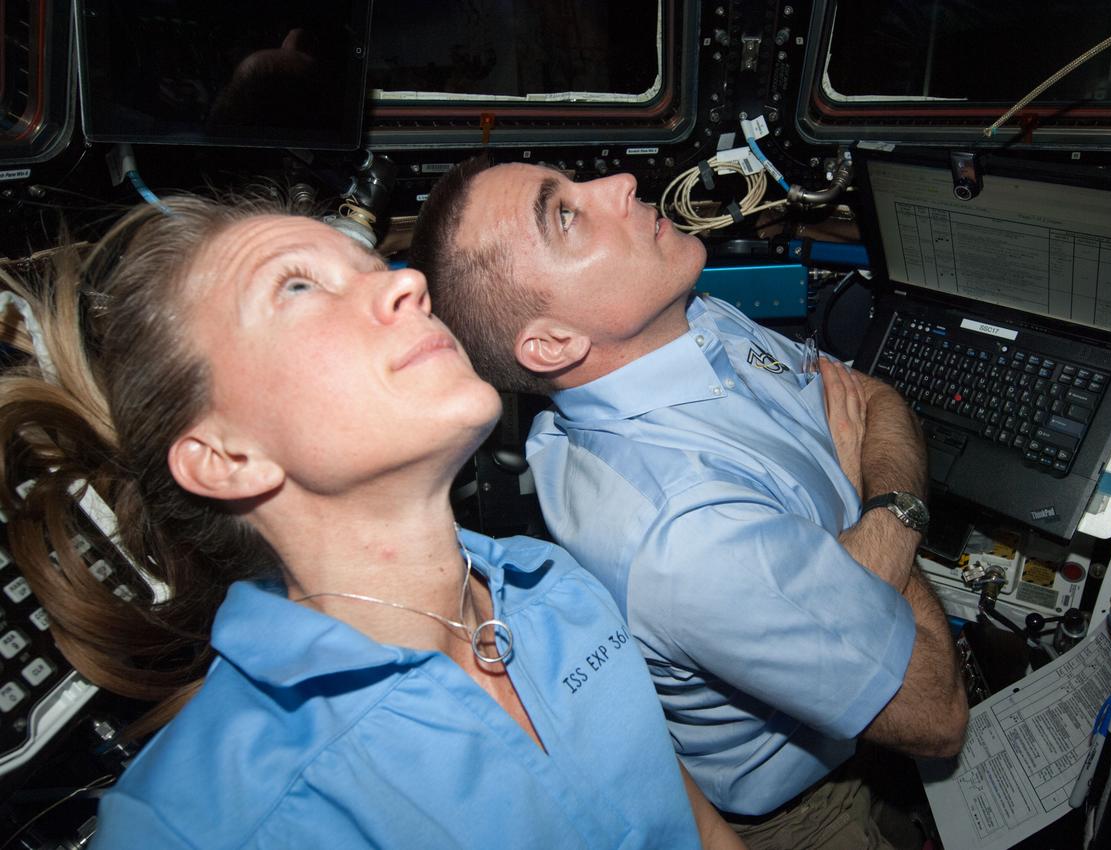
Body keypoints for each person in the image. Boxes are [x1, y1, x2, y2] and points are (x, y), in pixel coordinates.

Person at [0, 195, 746, 849]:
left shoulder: (556, 588)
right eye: (295, 285)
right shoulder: (196, 825)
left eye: (374, 265)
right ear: (228, 458)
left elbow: (700, 830)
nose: (407, 281)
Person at [411, 155, 970, 849]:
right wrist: (878, 500)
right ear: (554, 343)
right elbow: (939, 715)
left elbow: (871, 395)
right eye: (563, 215)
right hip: (810, 811)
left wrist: (859, 557)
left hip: (860, 731)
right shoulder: (681, 537)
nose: (617, 186)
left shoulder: (683, 319)